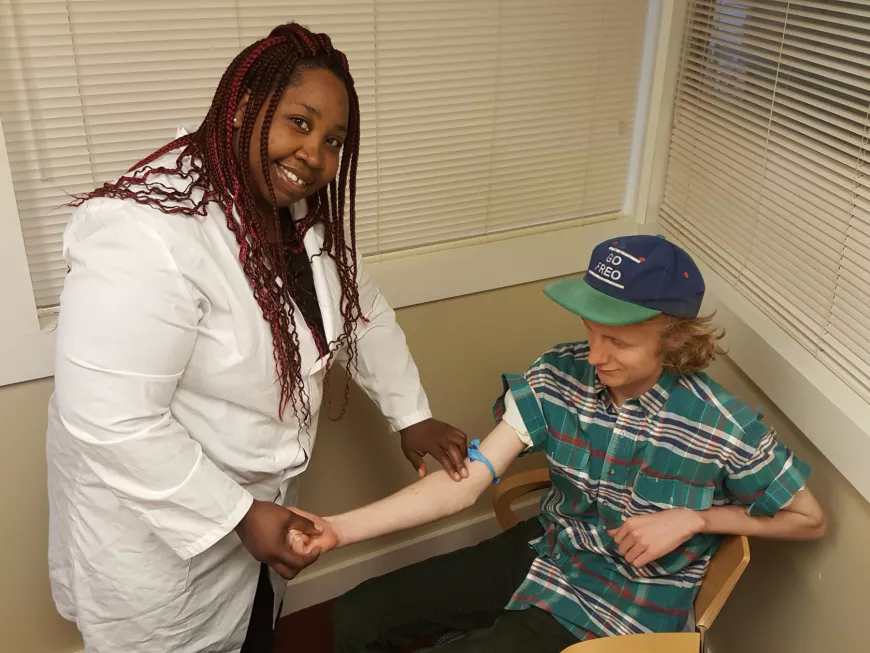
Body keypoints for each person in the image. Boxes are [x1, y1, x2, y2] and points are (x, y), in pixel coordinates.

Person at [45, 23, 470, 653]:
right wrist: (237, 514)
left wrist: (412, 414)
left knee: (250, 629)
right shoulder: (145, 234)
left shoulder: (290, 211)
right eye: (299, 123)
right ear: (245, 107)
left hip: (258, 507)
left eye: (333, 140)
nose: (316, 157)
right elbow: (110, 419)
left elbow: (361, 311)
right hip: (159, 534)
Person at [291, 234, 827, 653]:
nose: (594, 355)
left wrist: (698, 519)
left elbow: (809, 519)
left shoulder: (722, 425)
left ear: (675, 337)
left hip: (620, 604)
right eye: (590, 331)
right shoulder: (557, 374)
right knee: (356, 614)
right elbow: (463, 487)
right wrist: (336, 531)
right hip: (549, 548)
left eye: (618, 341)